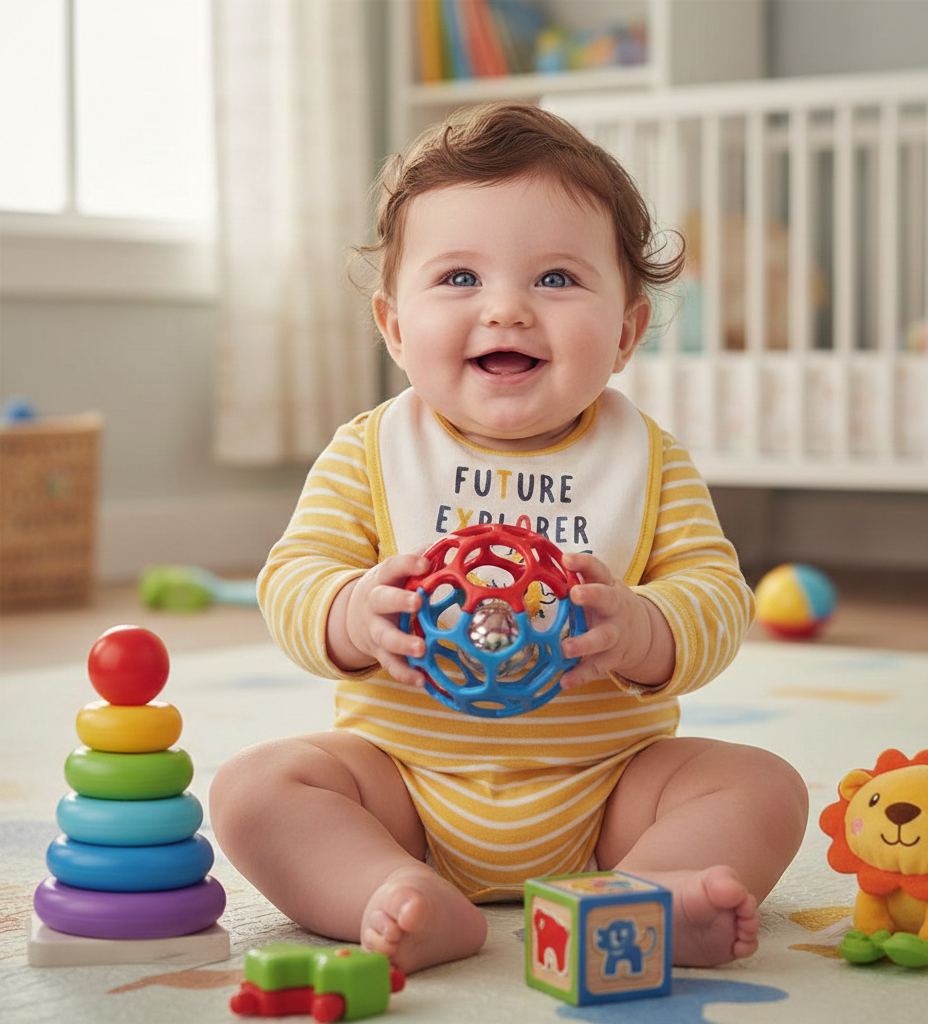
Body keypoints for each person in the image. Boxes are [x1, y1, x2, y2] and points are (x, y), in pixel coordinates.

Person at [209, 102, 808, 976]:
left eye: (556, 278)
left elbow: (718, 594)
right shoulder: (371, 452)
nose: (506, 310)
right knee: (253, 788)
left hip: (610, 788)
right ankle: (392, 891)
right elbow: (294, 575)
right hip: (403, 789)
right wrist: (350, 612)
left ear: (626, 332)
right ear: (395, 327)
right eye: (459, 278)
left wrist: (644, 627)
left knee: (763, 786)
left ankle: (635, 895)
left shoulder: (648, 460)